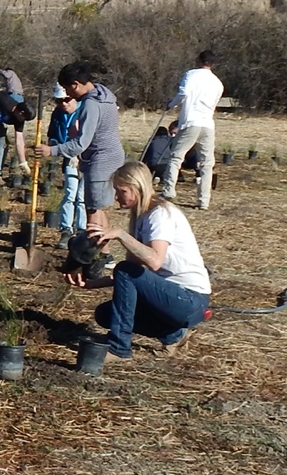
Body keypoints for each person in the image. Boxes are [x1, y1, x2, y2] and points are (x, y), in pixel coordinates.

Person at [83, 161, 211, 360]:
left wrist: (120, 235)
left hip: (190, 299)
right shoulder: (141, 217)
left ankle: (119, 348)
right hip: (170, 295)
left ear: (137, 188)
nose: (116, 197)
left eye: (121, 191)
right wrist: (91, 284)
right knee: (105, 314)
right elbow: (132, 273)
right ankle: (174, 335)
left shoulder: (160, 215)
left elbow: (154, 261)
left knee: (125, 271)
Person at [35, 62, 125, 232]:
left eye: (67, 89)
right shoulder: (106, 96)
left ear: (75, 85)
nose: (67, 94)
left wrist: (51, 150)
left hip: (100, 161)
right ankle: (101, 254)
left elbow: (81, 143)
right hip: (113, 157)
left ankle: (99, 255)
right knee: (98, 208)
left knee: (92, 211)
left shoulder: (91, 104)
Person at [162, 50, 224, 210]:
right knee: (207, 163)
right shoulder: (218, 83)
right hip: (208, 124)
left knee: (176, 157)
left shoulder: (191, 75)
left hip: (191, 121)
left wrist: (171, 104)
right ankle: (204, 200)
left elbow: (183, 93)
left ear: (198, 60)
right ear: (213, 64)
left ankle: (169, 190)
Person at [46, 84, 86, 249]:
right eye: (59, 101)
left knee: (82, 197)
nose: (63, 104)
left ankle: (82, 231)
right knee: (70, 193)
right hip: (68, 156)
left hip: (87, 158)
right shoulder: (57, 114)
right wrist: (53, 147)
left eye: (66, 100)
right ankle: (66, 230)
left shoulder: (85, 111)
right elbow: (54, 135)